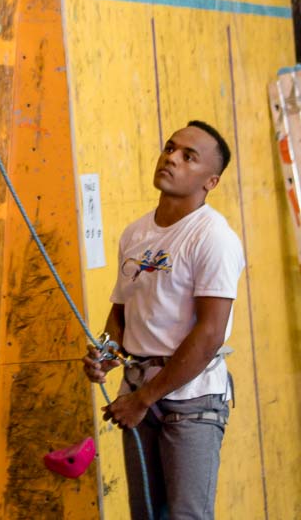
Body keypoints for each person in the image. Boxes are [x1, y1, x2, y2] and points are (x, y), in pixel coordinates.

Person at [83, 121, 245, 520]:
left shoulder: (213, 238)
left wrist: (143, 399)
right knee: (147, 516)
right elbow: (123, 311)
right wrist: (107, 353)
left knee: (186, 516)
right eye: (170, 148)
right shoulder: (135, 233)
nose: (171, 158)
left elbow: (209, 335)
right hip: (139, 390)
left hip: (191, 400)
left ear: (210, 182)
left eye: (188, 156)